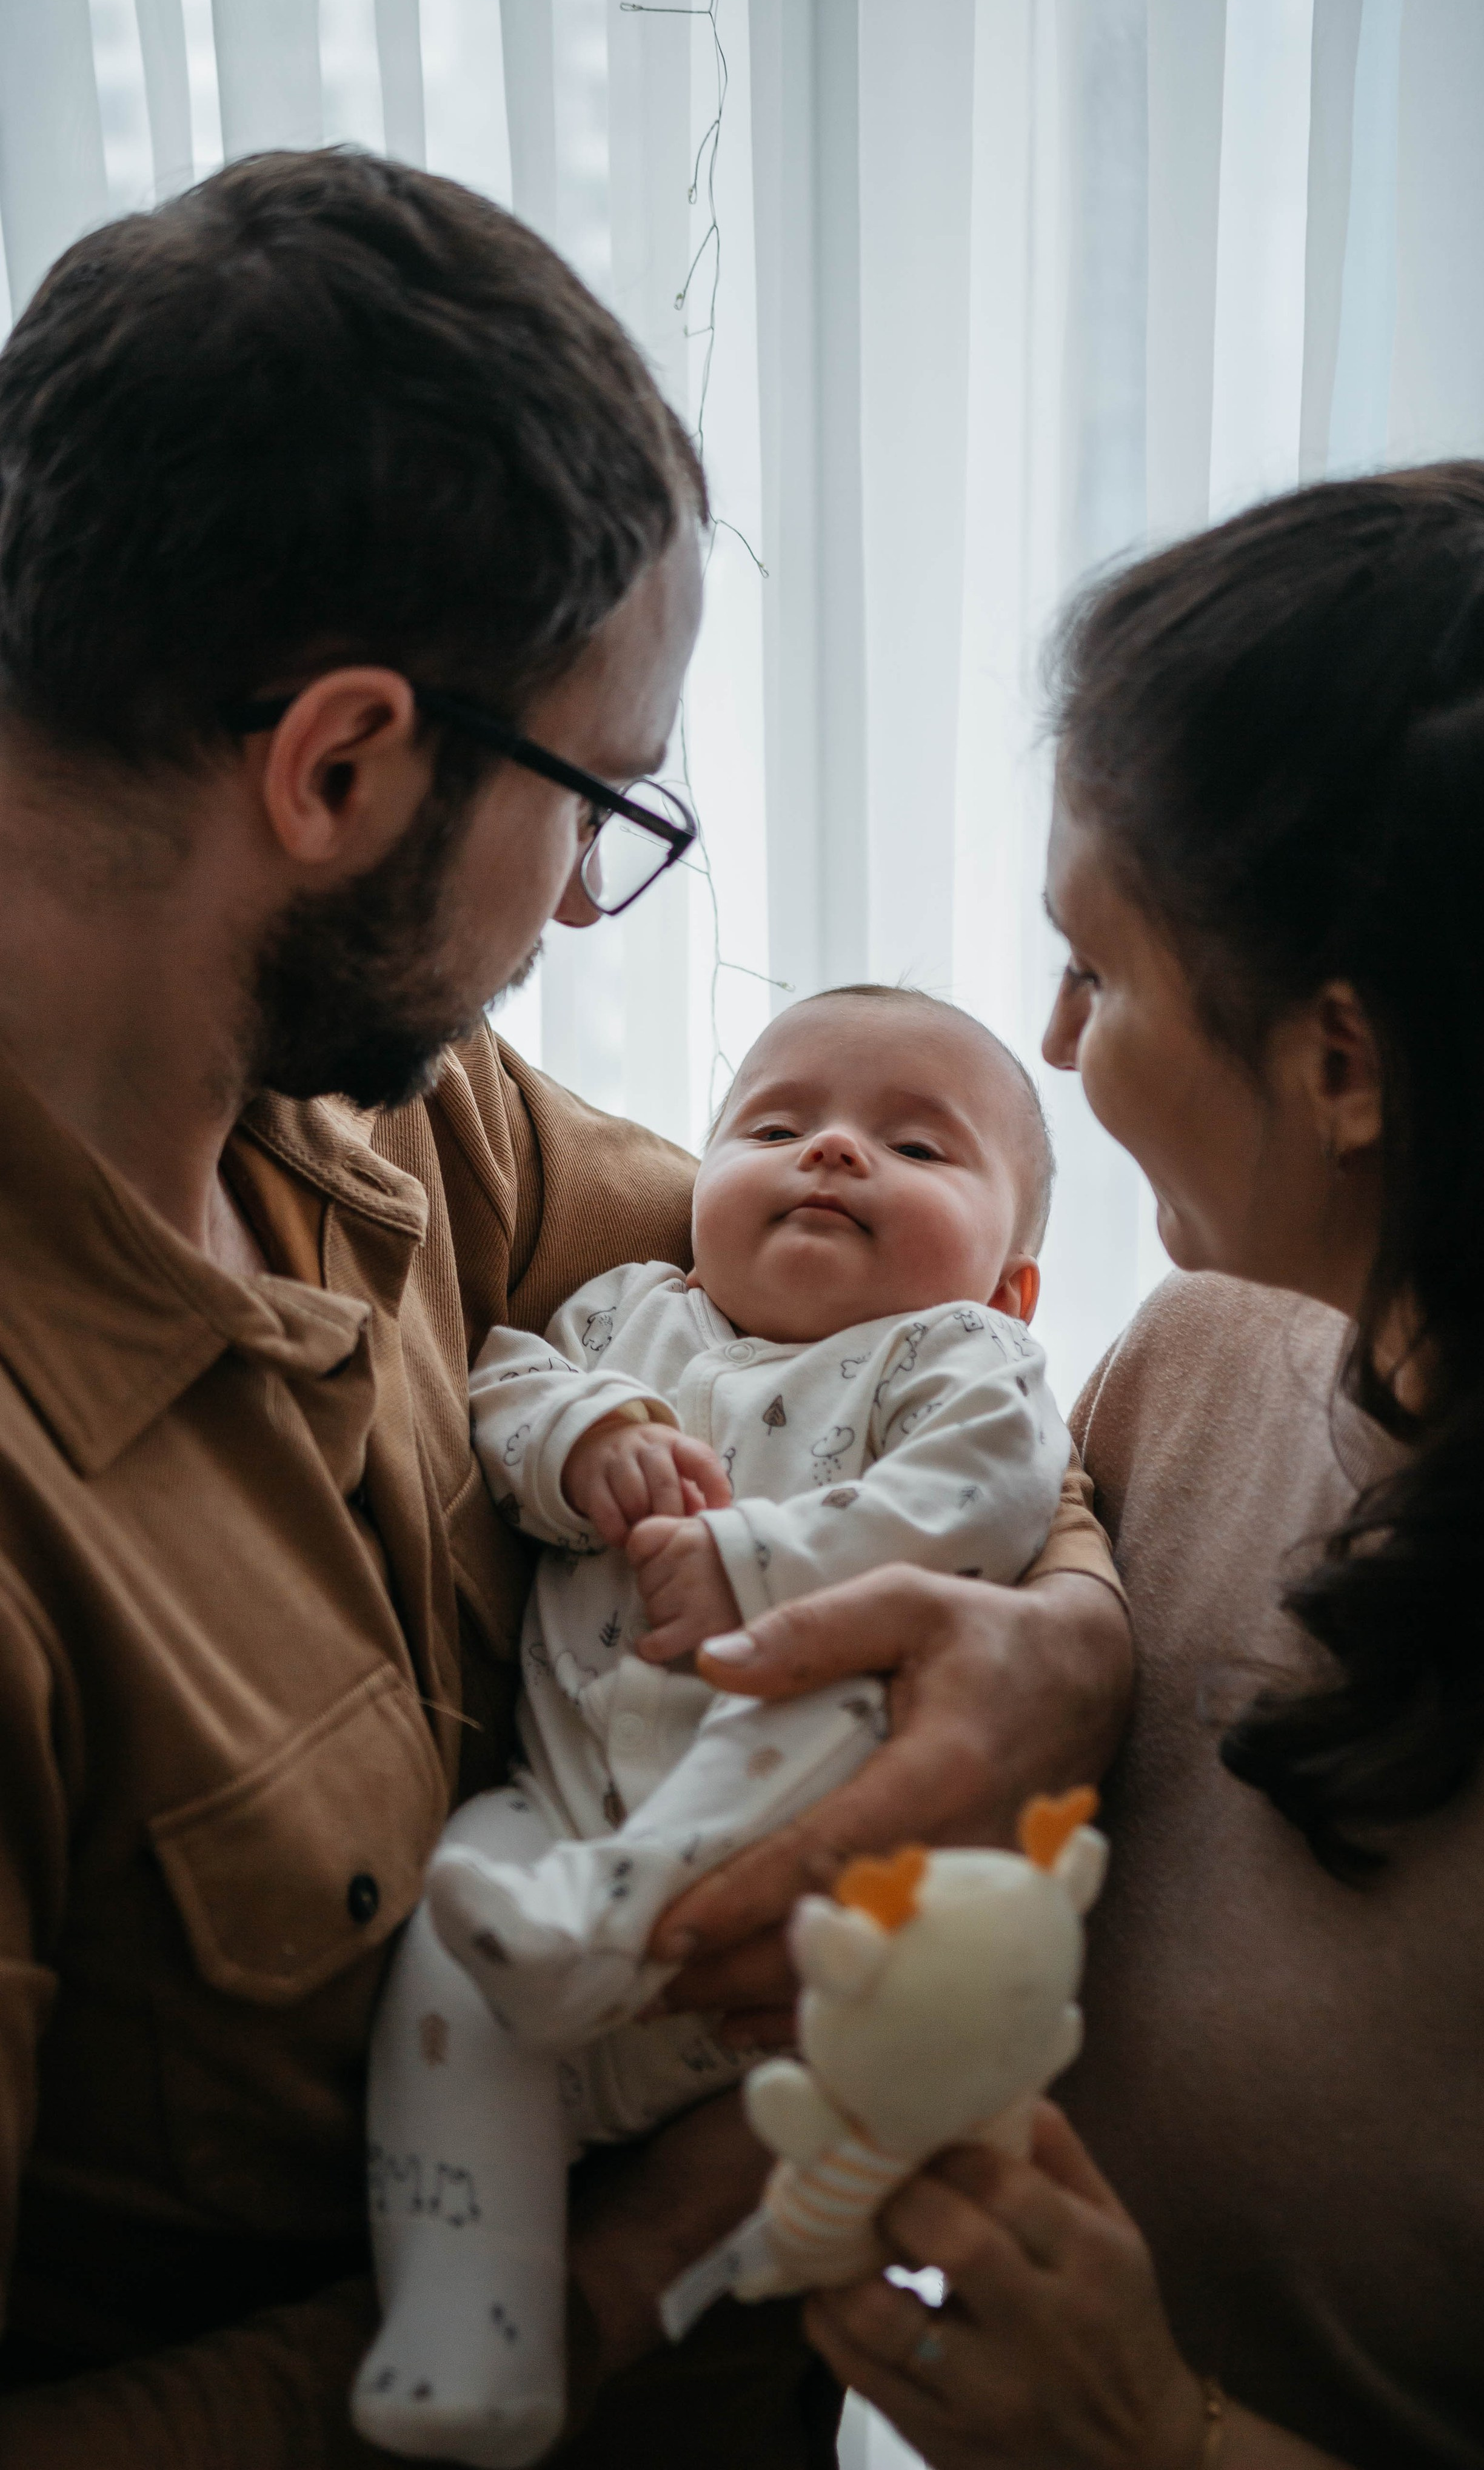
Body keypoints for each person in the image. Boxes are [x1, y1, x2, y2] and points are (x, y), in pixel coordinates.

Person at [0, 149, 1133, 2467]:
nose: (583, 913)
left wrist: (1063, 1641)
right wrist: (626, 2271)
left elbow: (912, 1336)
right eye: (596, 801)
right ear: (337, 765)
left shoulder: (387, 1109)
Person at [755, 462, 1484, 2468]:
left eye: (1098, 971)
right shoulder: (1181, 1364)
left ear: (1341, 1062)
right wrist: (1070, 1631)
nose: (1049, 1031)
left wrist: (1150, 2439)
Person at [359, 984, 1078, 2464]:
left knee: (807, 1693)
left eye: (915, 1146)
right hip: (556, 1841)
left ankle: (612, 1921)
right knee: (449, 1923)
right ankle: (472, 2316)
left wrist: (751, 1561)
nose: (828, 1152)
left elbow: (983, 1498)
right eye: (774, 1124)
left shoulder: (952, 1358)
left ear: (1010, 1284)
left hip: (772, 1912)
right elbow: (501, 1381)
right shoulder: (634, 1313)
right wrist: (584, 1436)